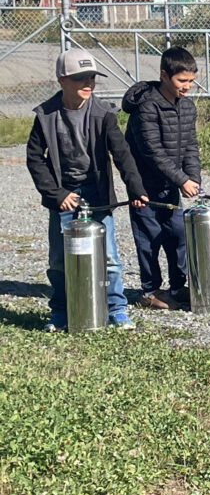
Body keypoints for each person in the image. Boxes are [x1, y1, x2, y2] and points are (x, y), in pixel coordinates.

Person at [26, 47, 148, 331]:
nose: (88, 83)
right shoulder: (45, 115)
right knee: (59, 259)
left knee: (109, 257)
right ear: (62, 80)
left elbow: (122, 154)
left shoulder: (103, 113)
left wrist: (136, 189)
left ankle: (116, 309)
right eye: (80, 78)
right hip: (64, 193)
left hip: (96, 192)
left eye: (91, 77)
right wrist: (56, 195)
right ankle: (60, 311)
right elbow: (34, 159)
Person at [122, 46, 202, 310]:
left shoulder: (187, 107)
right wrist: (182, 180)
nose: (187, 86)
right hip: (144, 186)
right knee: (149, 238)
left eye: (191, 80)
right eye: (182, 80)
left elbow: (190, 146)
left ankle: (178, 287)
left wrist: (193, 178)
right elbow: (152, 152)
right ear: (164, 76)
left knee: (178, 235)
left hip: (171, 185)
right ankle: (150, 291)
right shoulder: (146, 108)